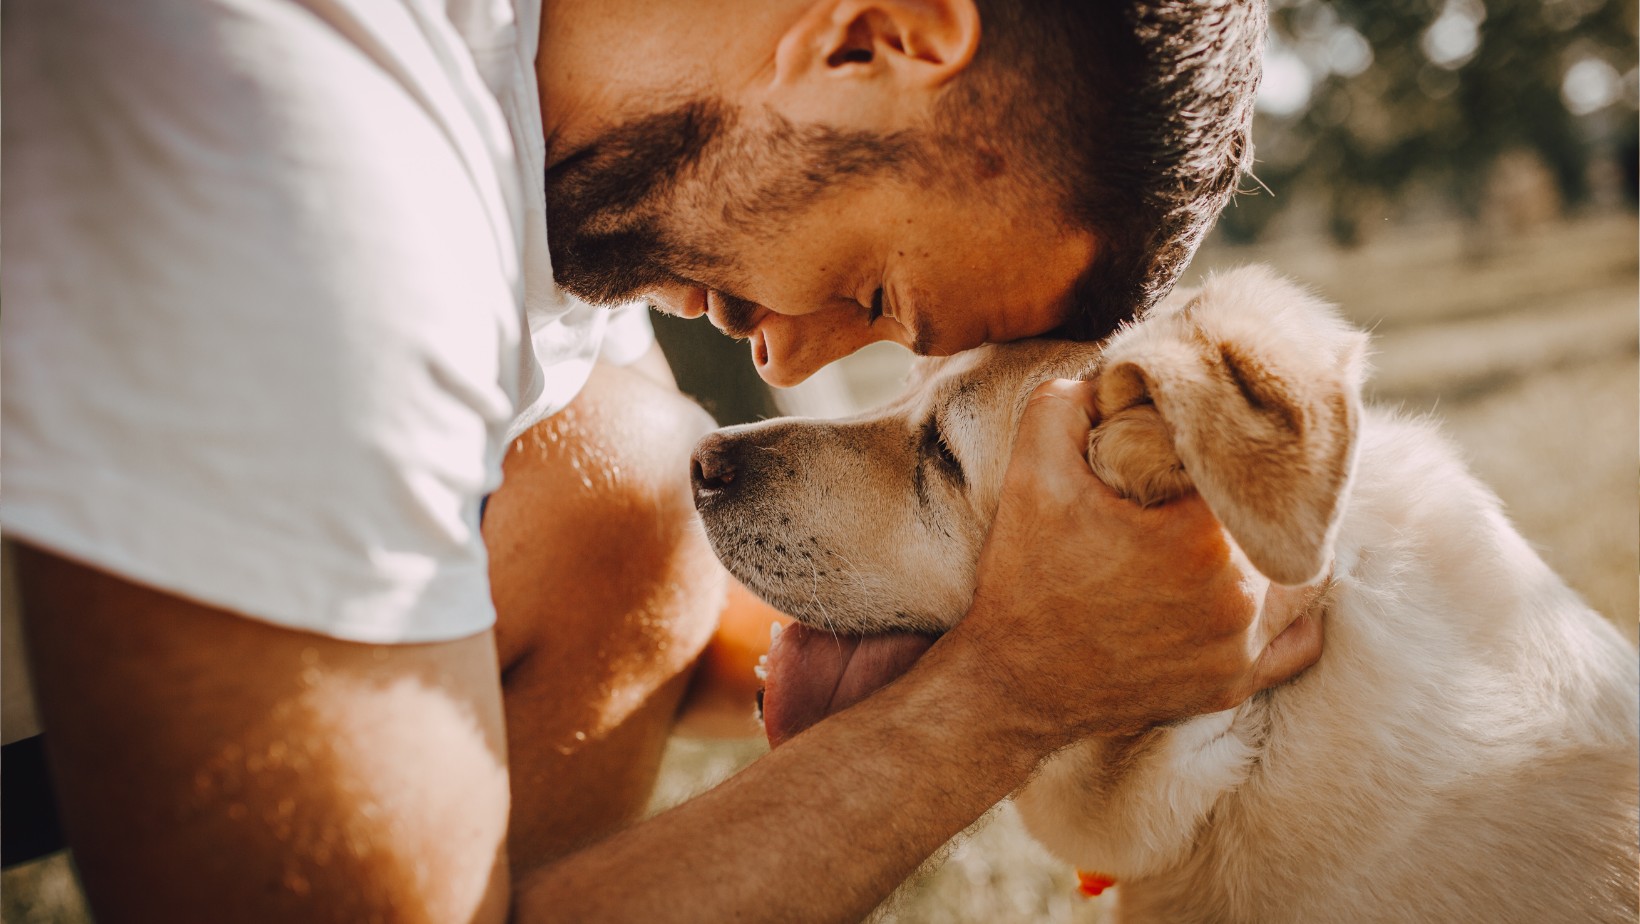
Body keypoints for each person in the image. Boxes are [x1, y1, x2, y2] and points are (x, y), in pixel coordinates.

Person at [2, 0, 1320, 920]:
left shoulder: (542, 130)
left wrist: (1094, 627)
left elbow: (653, 588)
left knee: (621, 486)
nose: (792, 362)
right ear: (872, 39)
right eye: (870, 287)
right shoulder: (297, 139)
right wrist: (1009, 695)